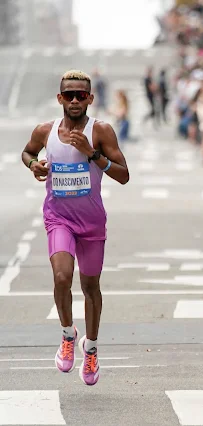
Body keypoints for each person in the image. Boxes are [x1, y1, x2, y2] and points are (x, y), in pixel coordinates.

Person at [21, 70, 130, 386]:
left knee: (91, 286)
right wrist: (34, 165)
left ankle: (91, 348)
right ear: (59, 98)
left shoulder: (102, 131)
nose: (74, 100)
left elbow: (124, 175)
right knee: (61, 276)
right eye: (68, 94)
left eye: (80, 95)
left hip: (92, 222)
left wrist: (92, 153)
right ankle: (68, 334)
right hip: (59, 218)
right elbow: (27, 152)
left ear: (90, 99)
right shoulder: (45, 131)